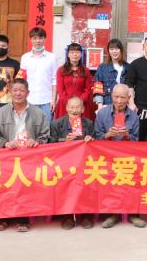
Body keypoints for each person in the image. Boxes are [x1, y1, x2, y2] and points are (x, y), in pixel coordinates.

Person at [0, 78, 51, 232]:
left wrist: (36, 141)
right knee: (4, 184)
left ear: (28, 93)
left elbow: (45, 136)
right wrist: (5, 143)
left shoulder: (38, 113)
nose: (18, 93)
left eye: (21, 90)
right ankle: (3, 217)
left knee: (25, 185)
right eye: (15, 90)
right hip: (7, 157)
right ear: (10, 92)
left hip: (30, 158)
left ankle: (23, 218)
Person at [94, 84, 146, 228]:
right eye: (116, 97)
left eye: (123, 97)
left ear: (129, 98)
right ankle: (113, 215)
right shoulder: (102, 114)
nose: (119, 101)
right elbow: (95, 137)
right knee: (108, 182)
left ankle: (133, 214)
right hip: (107, 158)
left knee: (133, 181)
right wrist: (107, 135)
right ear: (111, 96)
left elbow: (137, 141)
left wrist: (127, 136)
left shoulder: (134, 117)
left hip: (127, 158)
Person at [49, 96, 95, 230]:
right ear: (66, 108)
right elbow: (50, 144)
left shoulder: (89, 124)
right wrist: (64, 141)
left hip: (83, 162)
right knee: (65, 187)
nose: (74, 110)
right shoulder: (56, 124)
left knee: (86, 185)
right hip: (63, 163)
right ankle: (67, 216)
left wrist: (90, 139)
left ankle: (85, 215)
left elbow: (96, 143)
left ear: (83, 109)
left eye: (78, 107)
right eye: (72, 107)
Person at [19, 27, 57, 124]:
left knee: (46, 128)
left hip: (47, 101)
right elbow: (22, 80)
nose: (38, 41)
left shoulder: (52, 57)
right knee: (28, 127)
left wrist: (53, 100)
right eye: (34, 38)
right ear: (31, 39)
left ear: (45, 39)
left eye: (40, 38)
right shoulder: (25, 57)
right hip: (29, 100)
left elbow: (54, 80)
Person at [55, 43, 95, 120]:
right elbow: (60, 90)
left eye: (77, 52)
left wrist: (79, 102)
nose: (75, 54)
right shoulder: (61, 70)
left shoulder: (86, 70)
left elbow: (87, 89)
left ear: (81, 54)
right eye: (72, 52)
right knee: (65, 125)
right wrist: (70, 104)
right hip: (65, 105)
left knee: (82, 126)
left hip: (82, 105)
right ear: (68, 54)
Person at [93, 38, 129, 108]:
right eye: (111, 49)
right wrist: (100, 105)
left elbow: (130, 88)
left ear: (121, 50)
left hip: (123, 105)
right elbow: (98, 86)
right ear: (109, 51)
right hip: (106, 104)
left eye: (117, 49)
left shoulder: (128, 67)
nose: (114, 51)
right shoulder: (102, 67)